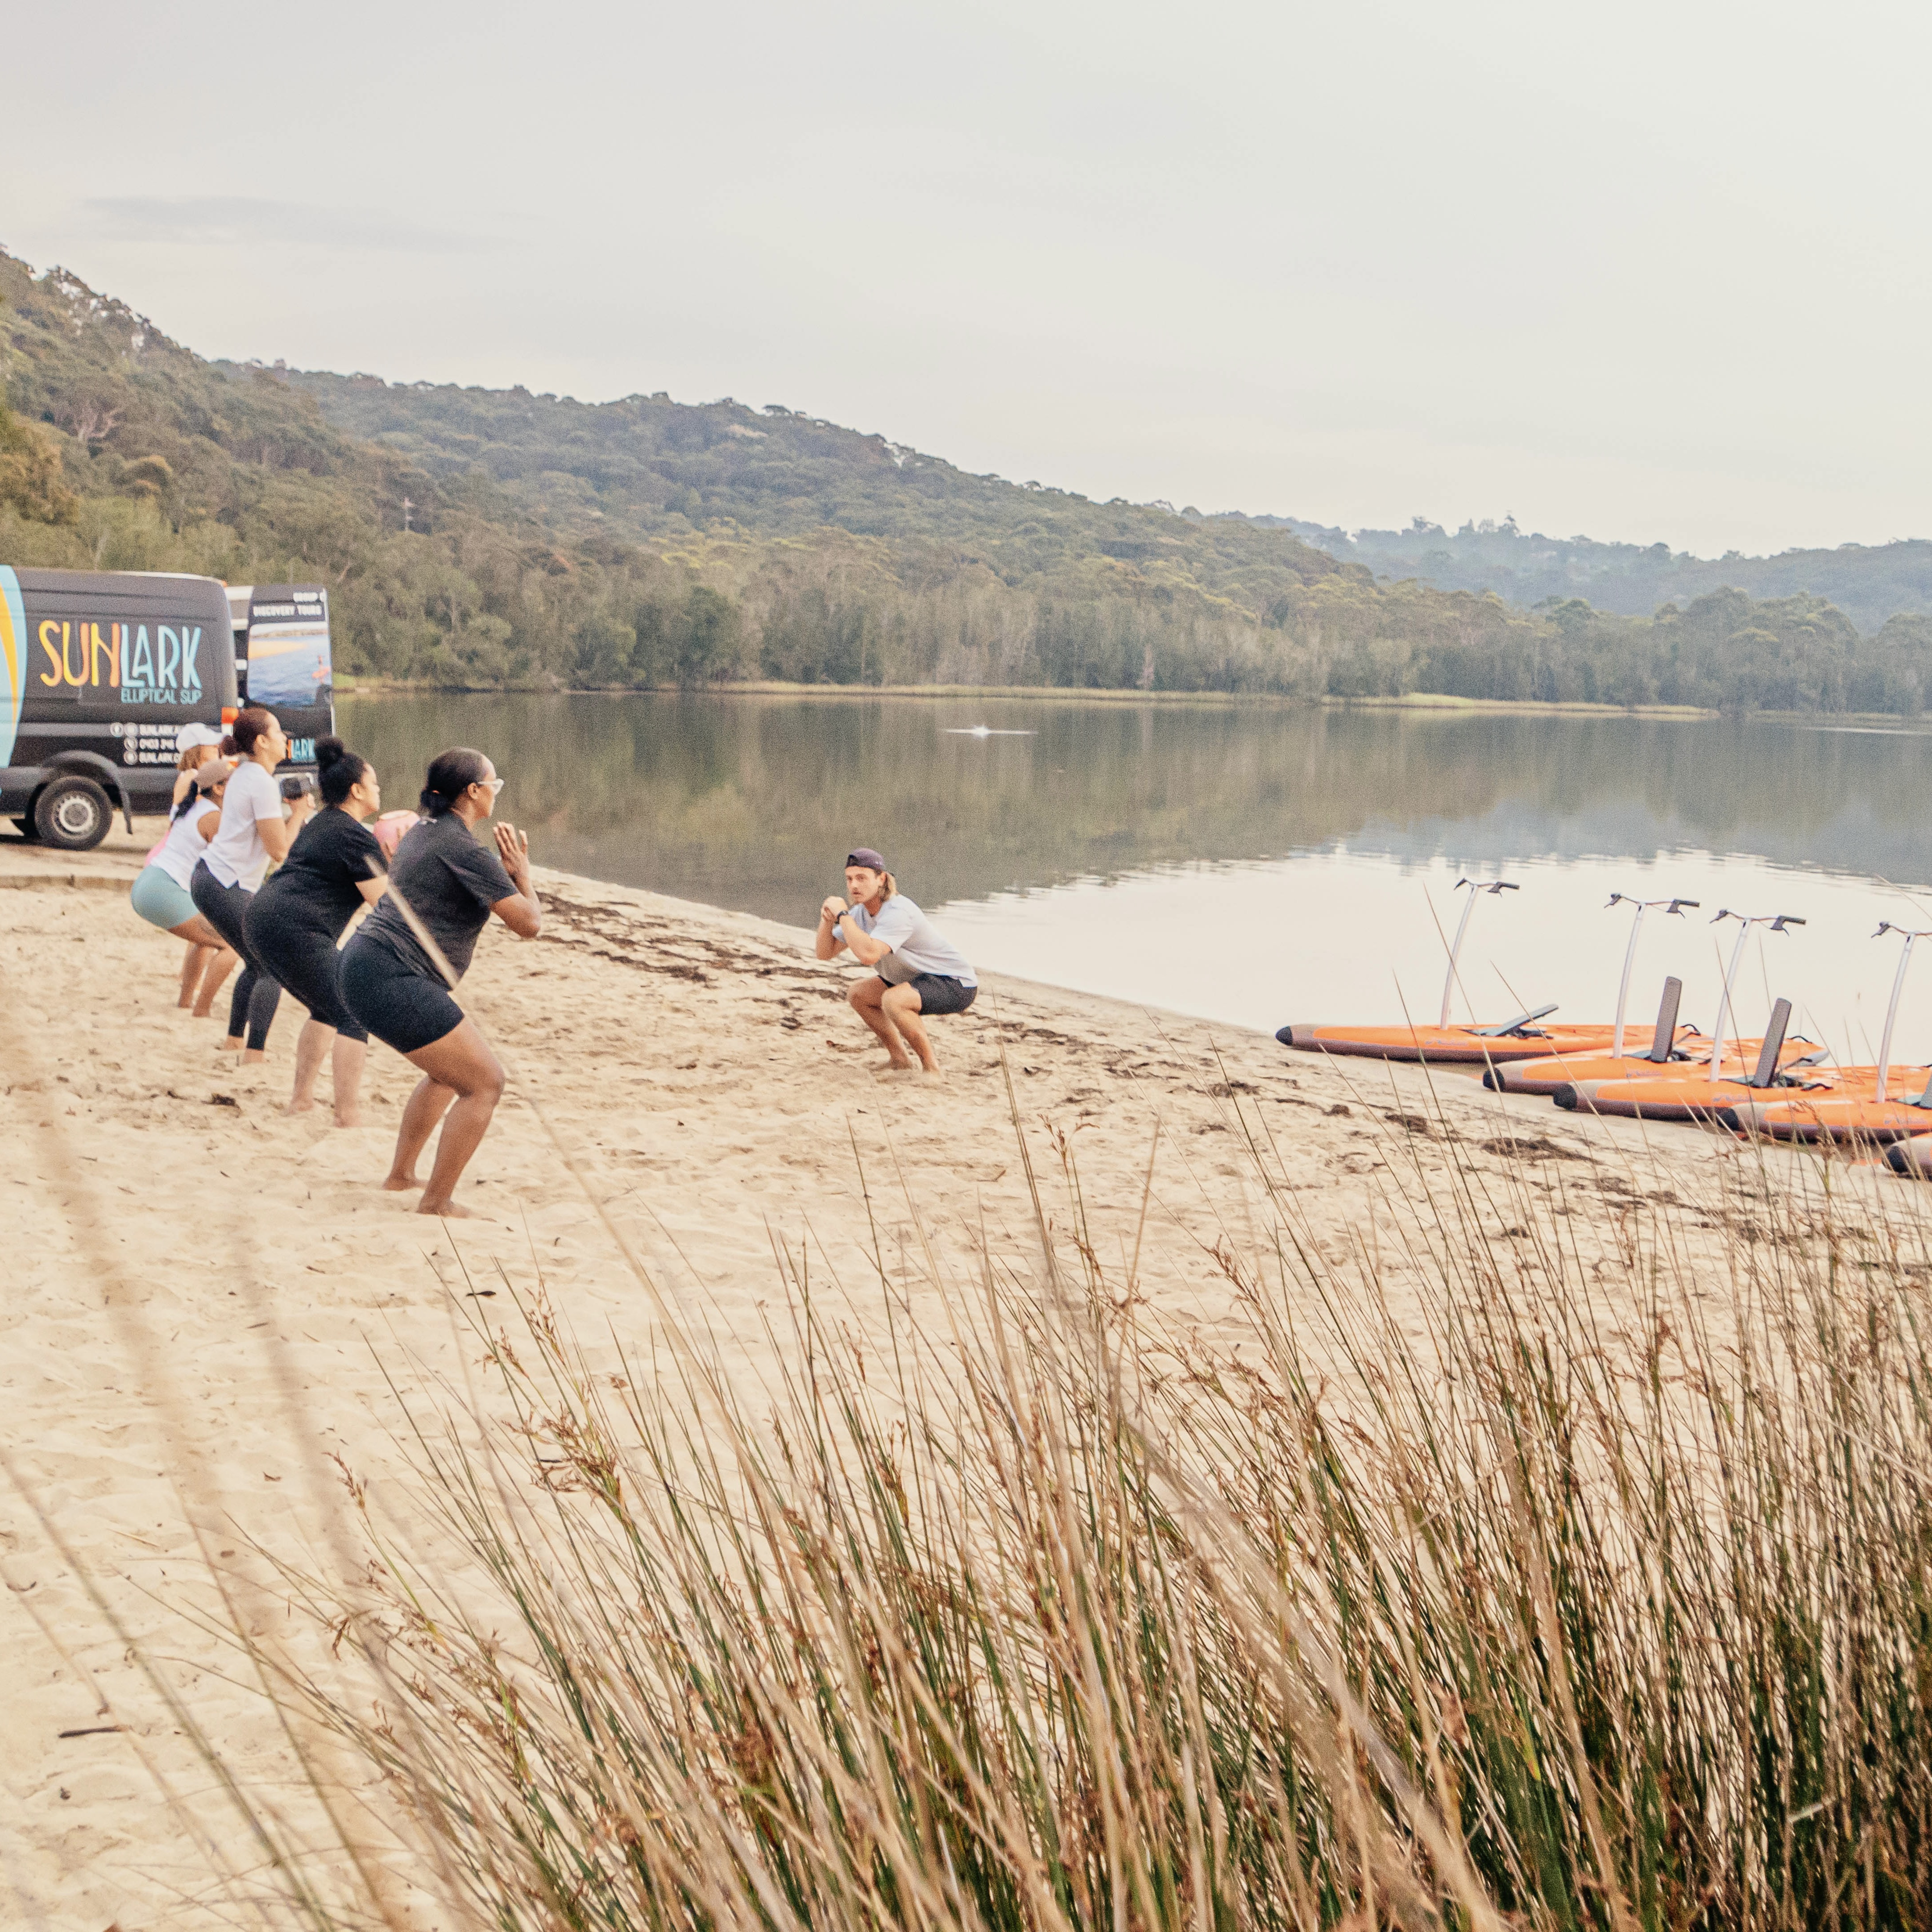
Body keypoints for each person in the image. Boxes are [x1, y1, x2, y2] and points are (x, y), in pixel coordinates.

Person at [340, 748, 540, 1217]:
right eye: (495, 783)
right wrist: (524, 877)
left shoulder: (422, 832)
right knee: (486, 1082)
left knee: (449, 1074)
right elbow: (529, 923)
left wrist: (505, 877)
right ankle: (436, 1201)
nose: (497, 791)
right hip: (389, 973)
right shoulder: (465, 849)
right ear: (473, 791)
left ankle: (402, 1176)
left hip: (362, 963)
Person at [245, 738, 387, 1128]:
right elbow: (385, 904)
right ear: (357, 791)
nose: (379, 790)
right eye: (374, 784)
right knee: (354, 1012)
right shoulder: (356, 836)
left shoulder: (324, 823)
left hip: (262, 916)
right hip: (292, 925)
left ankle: (302, 1101)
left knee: (326, 1009)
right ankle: (348, 1116)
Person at [190, 706, 314, 1062]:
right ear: (261, 742)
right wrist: (301, 815)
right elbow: (278, 851)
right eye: (279, 733)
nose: (285, 739)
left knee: (254, 960)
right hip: (223, 883)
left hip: (211, 878)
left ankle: (234, 1041)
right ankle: (254, 1053)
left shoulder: (246, 773)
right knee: (272, 962)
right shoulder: (259, 781)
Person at [817, 847, 977, 1073]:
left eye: (862, 878)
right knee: (859, 995)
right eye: (850, 879)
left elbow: (869, 955)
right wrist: (827, 919)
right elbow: (825, 953)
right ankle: (899, 1060)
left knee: (894, 1000)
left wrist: (842, 915)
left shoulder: (898, 912)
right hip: (915, 977)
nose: (854, 886)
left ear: (881, 879)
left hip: (955, 983)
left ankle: (932, 1069)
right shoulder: (860, 914)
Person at [131, 757, 240, 1018]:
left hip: (151, 883)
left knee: (202, 939)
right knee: (231, 945)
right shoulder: (214, 817)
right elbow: (234, 862)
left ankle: (186, 1002)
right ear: (219, 788)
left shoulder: (192, 808)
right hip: (163, 890)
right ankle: (202, 1011)